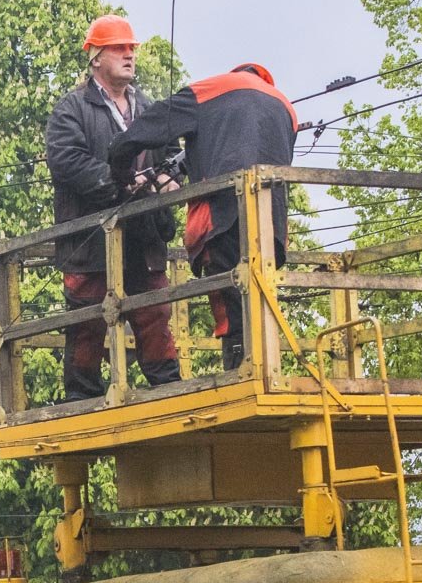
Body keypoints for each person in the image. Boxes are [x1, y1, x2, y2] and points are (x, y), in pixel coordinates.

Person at [108, 63, 297, 370]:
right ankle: (264, 373)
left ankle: (239, 374)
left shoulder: (212, 89)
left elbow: (150, 126)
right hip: (272, 224)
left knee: (231, 306)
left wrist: (120, 163)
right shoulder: (285, 107)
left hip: (222, 219)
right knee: (261, 305)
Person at [44, 15, 181, 401]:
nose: (129, 55)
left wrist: (169, 178)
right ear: (96, 57)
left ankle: (167, 388)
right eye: (119, 48)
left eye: (131, 48)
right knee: (88, 320)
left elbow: (171, 152)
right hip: (90, 241)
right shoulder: (71, 109)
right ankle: (81, 398)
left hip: (144, 236)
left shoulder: (151, 109)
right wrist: (119, 181)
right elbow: (67, 160)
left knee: (154, 313)